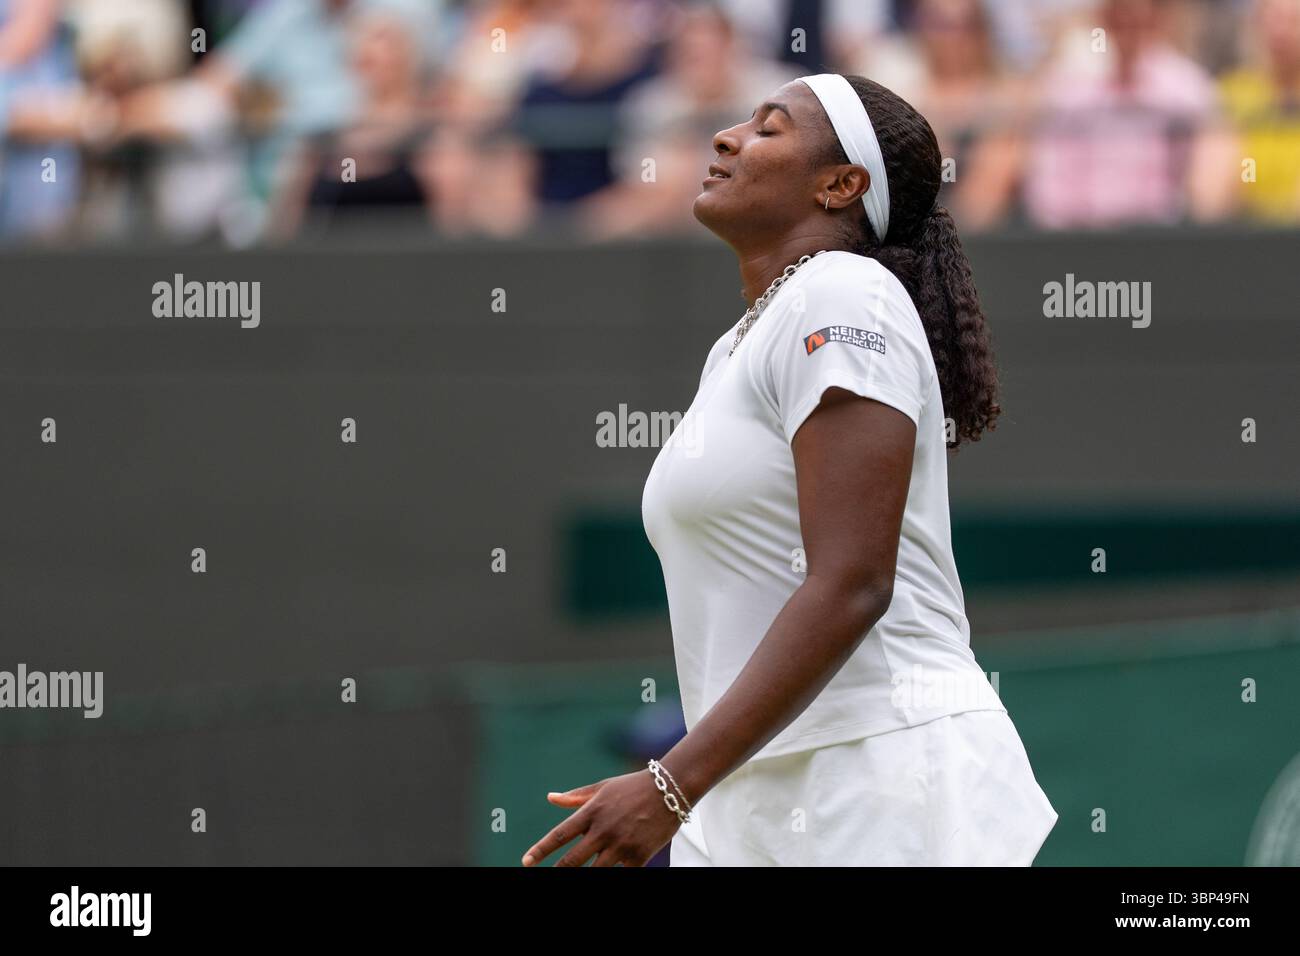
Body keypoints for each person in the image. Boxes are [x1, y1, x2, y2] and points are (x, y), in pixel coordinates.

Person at [522, 72, 1058, 866]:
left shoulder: (843, 295)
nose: (727, 137)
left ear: (842, 185)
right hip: (754, 797)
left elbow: (853, 581)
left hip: (880, 776)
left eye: (769, 129)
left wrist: (672, 783)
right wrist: (693, 788)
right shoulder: (738, 346)